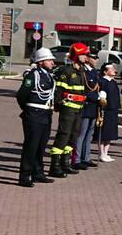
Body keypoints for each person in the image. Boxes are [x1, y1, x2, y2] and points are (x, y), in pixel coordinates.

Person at [15, 48, 57, 187]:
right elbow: (21, 95)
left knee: (41, 146)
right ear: (41, 62)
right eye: (49, 60)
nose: (52, 62)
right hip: (33, 114)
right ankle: (24, 176)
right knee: (31, 146)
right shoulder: (33, 75)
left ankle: (38, 172)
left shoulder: (49, 75)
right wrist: (28, 110)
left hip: (45, 114)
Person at [49, 43, 89, 178]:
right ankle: (54, 166)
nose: (86, 57)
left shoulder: (82, 71)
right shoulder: (66, 71)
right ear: (77, 55)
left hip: (79, 108)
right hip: (68, 108)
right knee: (63, 135)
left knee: (73, 136)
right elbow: (59, 90)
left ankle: (65, 164)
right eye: (84, 54)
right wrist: (59, 103)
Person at [73, 47, 104, 170]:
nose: (96, 60)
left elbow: (97, 87)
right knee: (81, 134)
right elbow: (84, 90)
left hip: (94, 108)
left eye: (97, 57)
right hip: (86, 106)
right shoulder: (82, 72)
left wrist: (101, 96)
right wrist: (96, 97)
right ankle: (77, 159)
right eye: (94, 57)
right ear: (87, 58)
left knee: (89, 134)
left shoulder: (94, 72)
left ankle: (86, 157)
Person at [94, 63, 121, 162]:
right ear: (105, 71)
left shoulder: (113, 82)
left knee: (110, 133)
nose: (114, 70)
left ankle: (106, 152)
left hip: (113, 110)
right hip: (105, 110)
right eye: (111, 69)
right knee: (103, 132)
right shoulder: (102, 81)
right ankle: (101, 153)